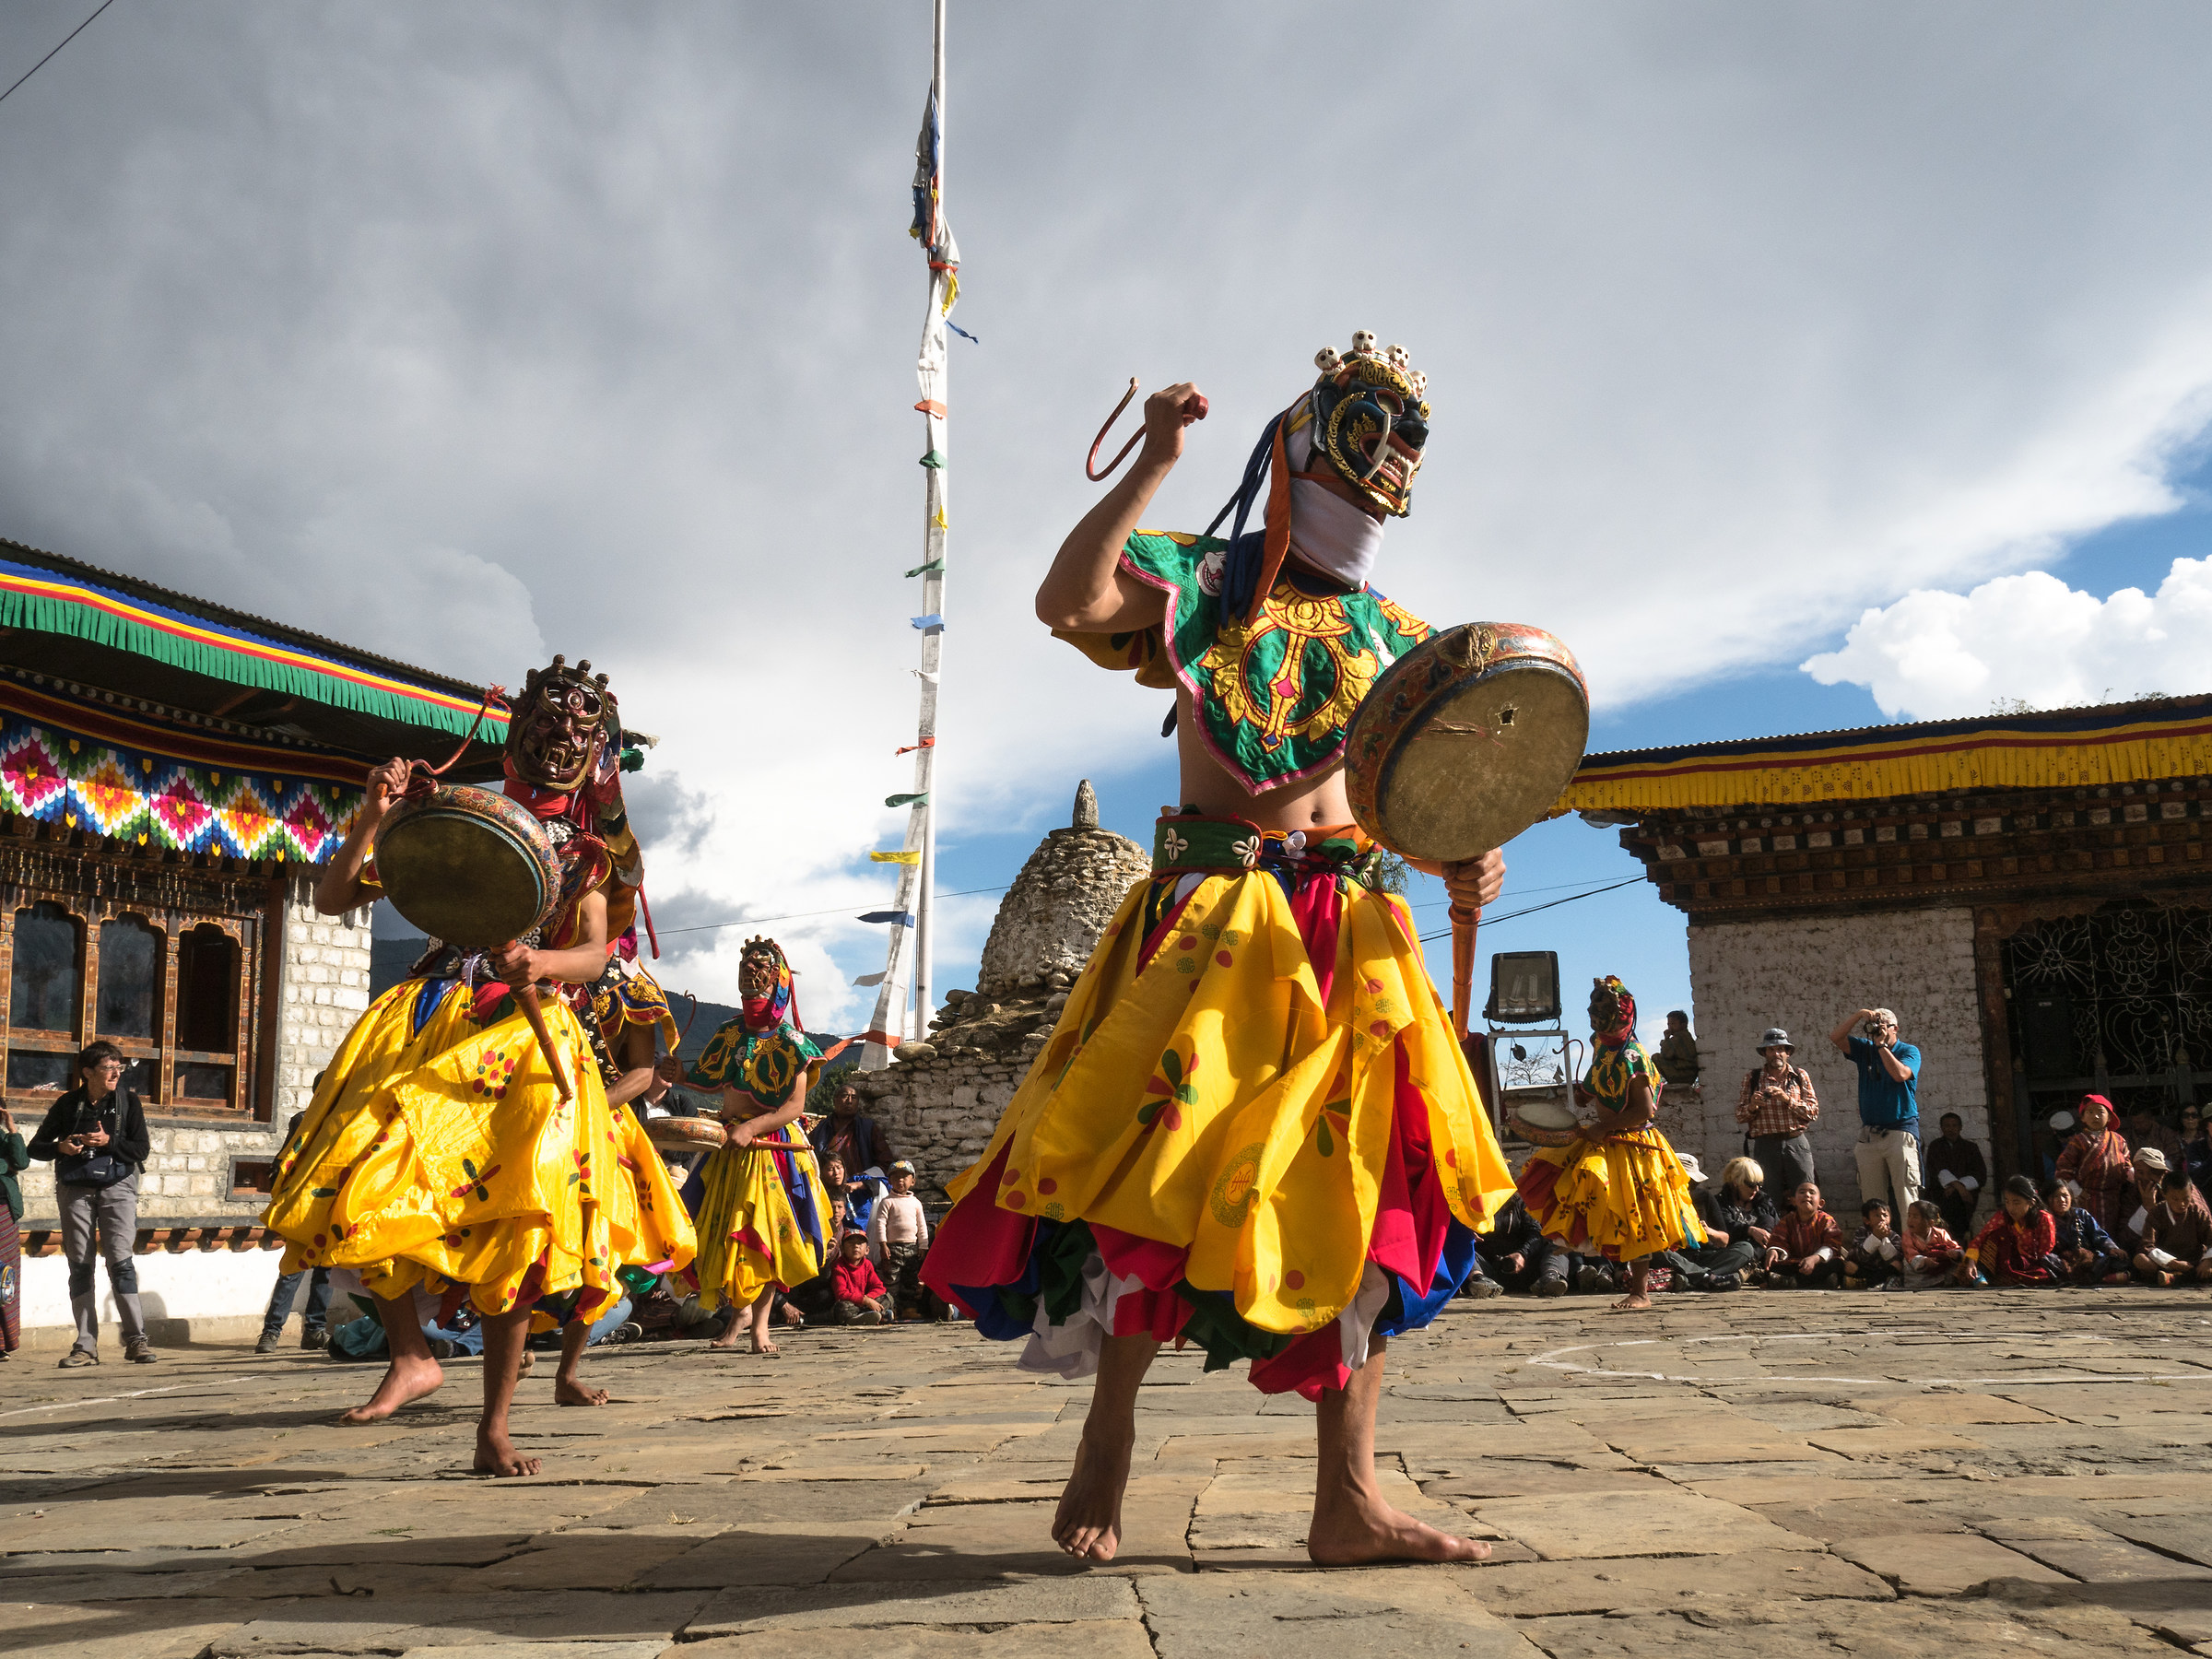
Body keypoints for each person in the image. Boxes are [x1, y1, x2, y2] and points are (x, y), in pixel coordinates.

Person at [922, 337, 1514, 1570]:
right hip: (1214, 921)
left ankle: (1348, 1499)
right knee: (1161, 1175)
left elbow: (1433, 805)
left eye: (1394, 463)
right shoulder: (1202, 584)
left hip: (1354, 933)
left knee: (1369, 1198)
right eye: (1354, 452)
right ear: (1295, 454)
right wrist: (1154, 460)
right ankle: (1109, 1435)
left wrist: (1468, 860)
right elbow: (1067, 604)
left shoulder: (1403, 641)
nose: (1375, 482)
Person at [263, 654, 695, 1476]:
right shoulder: (451, 814)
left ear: (594, 752)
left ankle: (494, 1424)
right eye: (544, 722)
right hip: (428, 1017)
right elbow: (334, 895)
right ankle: (411, 1355)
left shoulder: (586, 853)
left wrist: (543, 963)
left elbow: (597, 953)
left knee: (515, 1220)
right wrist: (372, 816)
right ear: (514, 732)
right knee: (356, 1174)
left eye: (577, 731)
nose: (558, 738)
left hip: (525, 1036)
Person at [683, 936, 834, 1358]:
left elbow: (794, 1107)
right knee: (723, 1234)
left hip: (770, 1148)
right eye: (745, 968)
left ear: (777, 981)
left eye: (761, 970)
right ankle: (740, 1315)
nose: (750, 974)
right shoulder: (728, 1032)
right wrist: (676, 1072)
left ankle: (761, 1325)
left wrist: (752, 1127)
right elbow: (705, 1078)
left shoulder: (794, 1042)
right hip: (729, 1146)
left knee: (762, 1235)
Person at [1519, 977, 1705, 1312]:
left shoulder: (1633, 1055)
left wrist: (1603, 1126)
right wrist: (1582, 1094)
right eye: (1594, 1004)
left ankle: (1640, 1292)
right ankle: (1577, 1241)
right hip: (1606, 1140)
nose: (1594, 1011)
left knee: (1635, 1217)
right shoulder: (1602, 1048)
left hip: (1633, 1144)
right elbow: (1596, 1086)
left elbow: (1644, 1110)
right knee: (1572, 1185)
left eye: (1603, 1006)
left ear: (1622, 1013)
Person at [28, 1041, 154, 1367]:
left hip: (118, 1186)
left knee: (120, 1262)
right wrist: (62, 1148)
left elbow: (141, 1150)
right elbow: (35, 1147)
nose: (115, 1074)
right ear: (87, 1072)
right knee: (79, 1265)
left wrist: (109, 1141)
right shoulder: (68, 1103)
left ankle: (136, 1340)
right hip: (76, 1189)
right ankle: (85, 1346)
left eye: (118, 1068)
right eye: (108, 1068)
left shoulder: (128, 1102)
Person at [1829, 1006, 1921, 1218]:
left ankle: (1910, 1240)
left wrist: (1882, 1047)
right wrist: (1859, 1015)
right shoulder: (1866, 1049)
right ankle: (1878, 1239)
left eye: (1884, 1026)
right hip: (1870, 1134)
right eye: (1875, 1026)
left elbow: (1900, 1075)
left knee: (1907, 1197)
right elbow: (1836, 1037)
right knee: (1872, 1202)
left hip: (1900, 1131)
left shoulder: (1909, 1051)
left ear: (1895, 1028)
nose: (1879, 1030)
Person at [1650, 1154, 1755, 1292]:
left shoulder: (1704, 1197)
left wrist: (1709, 1232)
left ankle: (1693, 1279)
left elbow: (1724, 1240)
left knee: (1746, 1248)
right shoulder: (1658, 1198)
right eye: (1688, 1181)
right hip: (1676, 1256)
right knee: (1655, 1249)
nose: (1690, 1186)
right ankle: (1705, 1278)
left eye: (1694, 1183)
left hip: (1702, 1256)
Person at [1735, 1028, 1818, 1199]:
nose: (1776, 1054)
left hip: (1796, 1142)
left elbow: (1813, 1112)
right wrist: (1753, 1106)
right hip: (1765, 1144)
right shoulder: (1752, 1078)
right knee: (1767, 1196)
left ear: (1788, 1053)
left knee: (1805, 1192)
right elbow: (1740, 1115)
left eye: (1780, 1049)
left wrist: (1786, 1099)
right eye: (1771, 1050)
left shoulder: (1799, 1076)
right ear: (1764, 1053)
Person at [1957, 1176, 2058, 1287]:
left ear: (2031, 1203)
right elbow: (1980, 1238)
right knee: (1996, 1235)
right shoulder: (2002, 1216)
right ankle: (1980, 1274)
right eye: (2007, 1202)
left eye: (2016, 1203)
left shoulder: (2044, 1218)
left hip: (2031, 1264)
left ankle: (2005, 1278)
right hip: (2006, 1262)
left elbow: (2044, 1252)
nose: (2011, 1208)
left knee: (2043, 1275)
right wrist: (1972, 1262)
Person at [2056, 1094, 2134, 1237]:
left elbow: (2126, 1166)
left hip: (2113, 1197)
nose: (2095, 1116)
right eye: (2090, 1112)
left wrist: (2139, 1178)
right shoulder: (2078, 1141)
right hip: (2086, 1197)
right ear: (2083, 1118)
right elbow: (2063, 1169)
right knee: (2088, 1231)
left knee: (2113, 1231)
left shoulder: (2119, 1140)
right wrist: (2077, 1191)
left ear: (2109, 1117)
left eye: (2100, 1112)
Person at [868, 1160, 933, 1321]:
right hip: (893, 1248)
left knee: (910, 1280)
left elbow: (921, 1226)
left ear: (913, 1181)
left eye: (905, 1177)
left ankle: (909, 1308)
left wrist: (923, 1246)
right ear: (890, 1181)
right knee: (892, 1279)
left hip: (912, 1248)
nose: (900, 1180)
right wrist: (883, 1245)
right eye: (896, 1177)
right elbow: (880, 1224)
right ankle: (892, 1308)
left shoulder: (916, 1203)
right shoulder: (887, 1202)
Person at [811, 1083, 895, 1196]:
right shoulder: (822, 1128)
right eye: (845, 1096)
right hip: (826, 1190)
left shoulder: (867, 1128)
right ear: (835, 1101)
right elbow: (810, 1156)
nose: (849, 1101)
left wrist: (862, 1181)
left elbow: (885, 1161)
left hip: (858, 1190)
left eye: (854, 1097)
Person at [2134, 1168, 2212, 1286]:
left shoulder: (2198, 1213)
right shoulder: (2156, 1212)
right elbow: (2147, 1245)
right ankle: (2177, 1276)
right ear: (2164, 1194)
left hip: (2193, 1263)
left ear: (2191, 1192)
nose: (2181, 1204)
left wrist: (2208, 1261)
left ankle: (2173, 1278)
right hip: (2165, 1264)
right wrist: (2173, 1263)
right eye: (2175, 1199)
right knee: (2140, 1259)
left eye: (2186, 1198)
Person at [2043, 1182, 2129, 1287]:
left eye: (2065, 1195)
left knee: (2118, 1259)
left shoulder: (2081, 1214)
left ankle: (2093, 1277)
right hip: (2062, 1262)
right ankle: (2101, 1278)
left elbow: (2099, 1235)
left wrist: (2112, 1248)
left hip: (2088, 1260)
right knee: (2046, 1260)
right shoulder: (2045, 1219)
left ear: (2071, 1197)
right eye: (2056, 1196)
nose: (2062, 1200)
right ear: (2047, 1199)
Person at [1475, 1195, 1559, 1295]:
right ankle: (1478, 1280)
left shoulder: (1520, 1203)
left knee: (1557, 1243)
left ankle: (1550, 1278)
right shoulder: (1472, 1204)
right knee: (1463, 1247)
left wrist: (1522, 1254)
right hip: (1487, 1267)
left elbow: (1536, 1233)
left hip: (1524, 1267)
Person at [1925, 1112, 1988, 1242]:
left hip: (1966, 1195)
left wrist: (1959, 1187)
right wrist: (1958, 1187)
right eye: (1947, 1126)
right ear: (1941, 1128)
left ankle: (1959, 1239)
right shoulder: (1936, 1146)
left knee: (1958, 1199)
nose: (1951, 1129)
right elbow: (1937, 1170)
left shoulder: (1971, 1148)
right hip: (1942, 1193)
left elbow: (1980, 1174)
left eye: (1954, 1125)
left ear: (1960, 1127)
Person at [1768, 1181, 1844, 1288]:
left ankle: (1792, 1282)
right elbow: (1778, 1240)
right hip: (1796, 1264)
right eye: (1802, 1192)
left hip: (1818, 1264)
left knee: (1837, 1264)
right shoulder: (1787, 1220)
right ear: (1793, 1201)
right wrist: (1774, 1251)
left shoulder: (1826, 1220)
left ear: (1821, 1203)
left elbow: (1832, 1245)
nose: (1807, 1195)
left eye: (1812, 1193)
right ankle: (1815, 1282)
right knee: (1773, 1266)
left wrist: (1814, 1258)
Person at [0, 1100, 27, 1360]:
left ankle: (2, 1343)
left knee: (4, 1277)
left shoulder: (4, 1138)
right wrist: (4, 1166)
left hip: (4, 1215)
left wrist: (12, 1129)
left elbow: (21, 1161)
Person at [1888, 1200, 1963, 1291]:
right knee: (1907, 1264)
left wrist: (1955, 1253)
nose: (1910, 1220)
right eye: (1909, 1216)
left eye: (1915, 1217)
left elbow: (1954, 1247)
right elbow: (1910, 1254)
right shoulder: (1907, 1235)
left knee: (1957, 1266)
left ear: (1930, 1222)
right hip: (1920, 1269)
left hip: (1940, 1265)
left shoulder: (1940, 1233)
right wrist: (1924, 1261)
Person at [830, 1230, 892, 1324]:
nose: (856, 1246)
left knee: (887, 1298)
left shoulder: (867, 1264)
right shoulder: (838, 1266)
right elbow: (841, 1293)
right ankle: (859, 1318)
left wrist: (869, 1299)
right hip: (852, 1304)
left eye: (859, 1243)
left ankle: (871, 1315)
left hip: (866, 1302)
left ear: (867, 1250)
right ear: (842, 1249)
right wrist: (864, 1300)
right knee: (842, 1307)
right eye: (851, 1243)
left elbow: (879, 1287)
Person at [1842, 1199, 1901, 1290]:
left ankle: (1869, 1282)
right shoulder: (1861, 1232)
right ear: (1867, 1220)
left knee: (1897, 1265)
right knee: (1849, 1266)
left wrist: (1883, 1239)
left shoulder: (1893, 1236)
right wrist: (1875, 1238)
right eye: (1877, 1215)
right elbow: (1856, 1256)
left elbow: (1894, 1258)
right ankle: (1870, 1281)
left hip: (1883, 1271)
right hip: (1865, 1269)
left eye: (1885, 1215)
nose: (1882, 1218)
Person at [1655, 1010, 1700, 1090]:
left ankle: (1673, 1082)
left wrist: (1666, 1039)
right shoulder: (1687, 1036)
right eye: (1669, 1024)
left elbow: (1665, 1055)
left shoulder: (1678, 1038)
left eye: (1673, 1024)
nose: (1670, 1027)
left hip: (1683, 1074)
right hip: (1690, 1076)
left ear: (1683, 1025)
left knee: (1655, 1057)